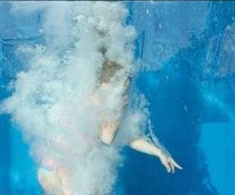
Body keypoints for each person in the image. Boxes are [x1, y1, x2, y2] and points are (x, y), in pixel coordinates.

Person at [36, 56, 182, 195]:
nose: (124, 95)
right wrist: (121, 109)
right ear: (106, 84)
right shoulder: (95, 102)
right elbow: (107, 138)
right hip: (58, 169)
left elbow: (127, 138)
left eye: (126, 90)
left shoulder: (102, 102)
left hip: (59, 168)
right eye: (122, 90)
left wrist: (159, 152)